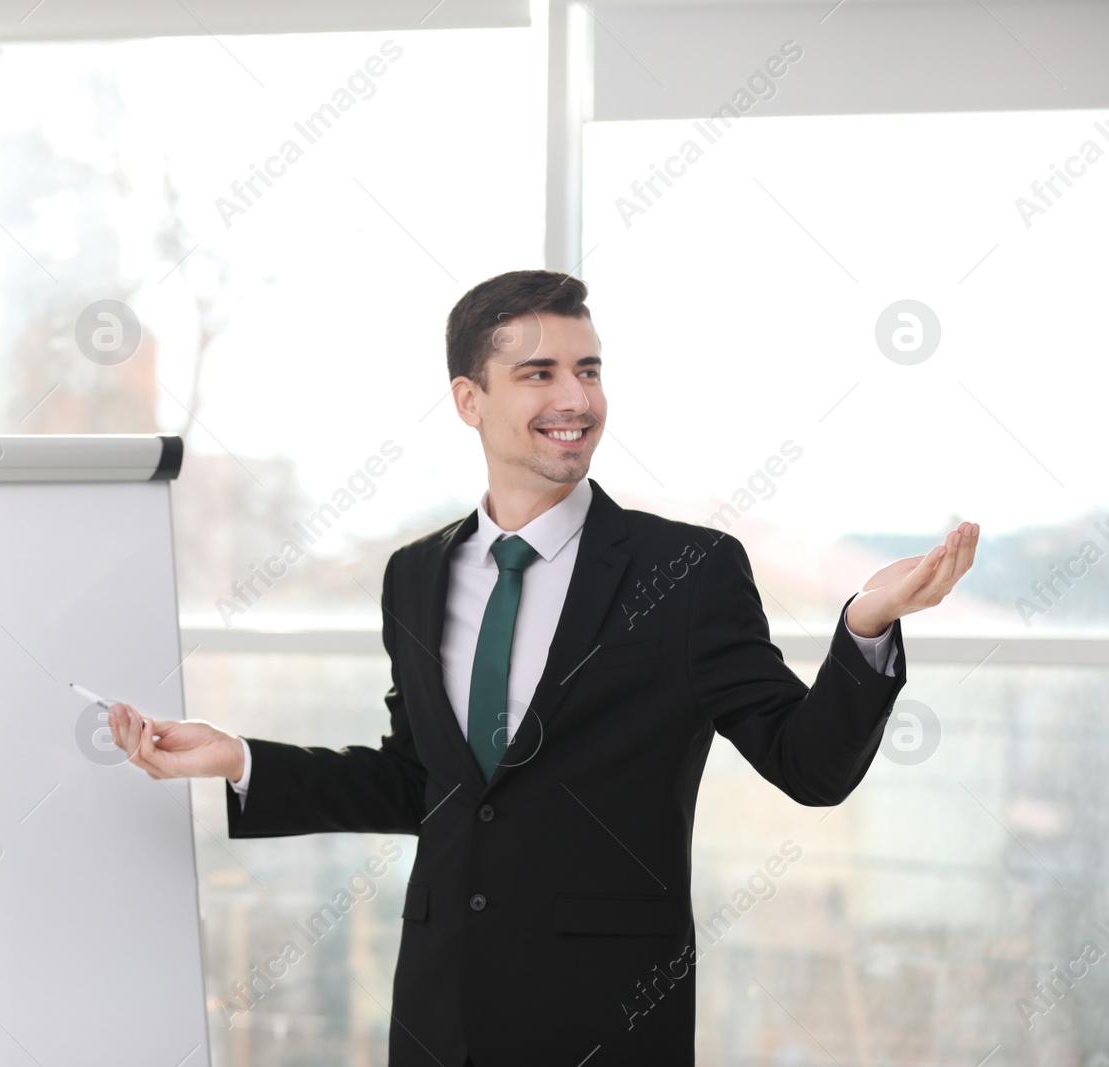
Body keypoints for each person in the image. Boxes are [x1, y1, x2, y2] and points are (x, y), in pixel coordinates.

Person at [105, 270, 978, 1066]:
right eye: (540, 374)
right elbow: (427, 783)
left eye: (589, 369)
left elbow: (808, 764)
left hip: (606, 1018)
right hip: (439, 1013)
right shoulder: (414, 574)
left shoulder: (688, 570)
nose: (577, 398)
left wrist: (865, 625)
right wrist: (239, 758)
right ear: (468, 398)